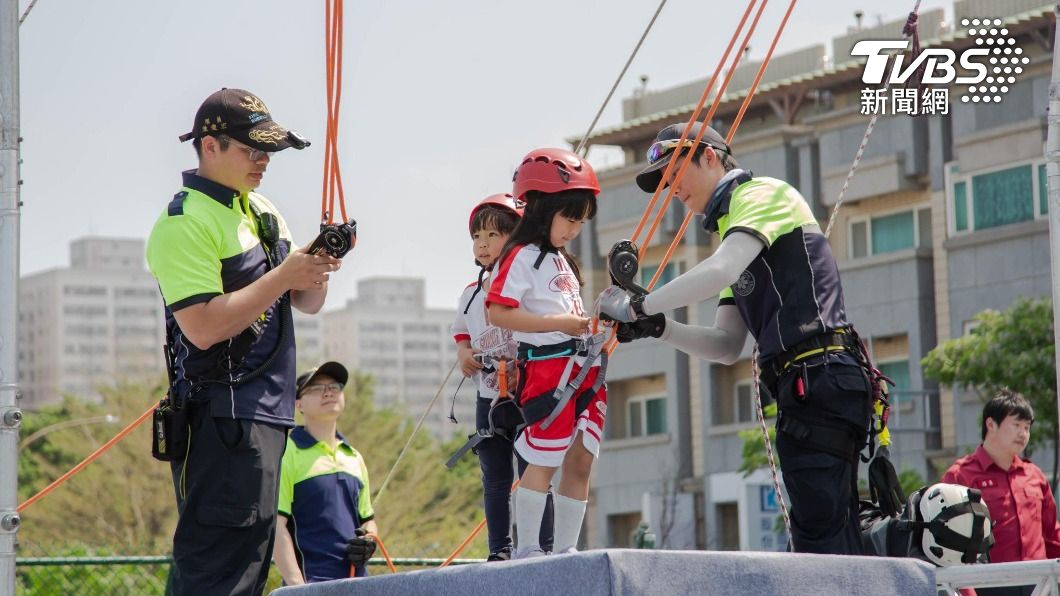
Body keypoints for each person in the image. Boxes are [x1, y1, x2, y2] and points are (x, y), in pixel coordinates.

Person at [598, 121, 900, 555]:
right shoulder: (732, 229)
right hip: (810, 386)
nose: (672, 189)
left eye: (674, 172)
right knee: (823, 530)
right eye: (664, 182)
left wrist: (641, 307)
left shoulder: (760, 195)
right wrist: (660, 328)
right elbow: (726, 344)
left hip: (820, 377)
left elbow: (721, 270)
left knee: (821, 539)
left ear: (709, 156)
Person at [146, 87, 341, 595]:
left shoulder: (261, 210)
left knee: (248, 571)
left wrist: (315, 270)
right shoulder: (185, 220)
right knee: (217, 572)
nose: (264, 161)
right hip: (223, 417)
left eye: (269, 152)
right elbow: (204, 327)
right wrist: (285, 275)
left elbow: (306, 303)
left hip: (265, 414)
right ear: (210, 146)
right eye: (252, 150)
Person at [486, 148, 604, 558]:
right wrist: (559, 325)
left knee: (582, 457)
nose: (574, 229)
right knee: (545, 458)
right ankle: (530, 550)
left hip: (585, 366)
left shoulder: (561, 260)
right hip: (549, 369)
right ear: (542, 208)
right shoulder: (521, 256)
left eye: (581, 221)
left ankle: (568, 550)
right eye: (570, 218)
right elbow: (498, 311)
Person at [450, 194, 553, 561]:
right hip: (489, 397)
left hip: (530, 393)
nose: (482, 243)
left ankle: (542, 546)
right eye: (477, 236)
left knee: (533, 473)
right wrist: (464, 354)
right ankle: (500, 550)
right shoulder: (471, 293)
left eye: (493, 235)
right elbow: (462, 332)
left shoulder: (528, 284)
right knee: (494, 477)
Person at [941, 390, 1060, 596]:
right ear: (990, 424)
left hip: (1041, 585)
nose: (1023, 434)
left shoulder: (1034, 475)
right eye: (1016, 425)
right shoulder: (961, 477)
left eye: (1027, 427)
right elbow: (948, 545)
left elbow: (1051, 537)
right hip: (987, 585)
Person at [273, 362, 378, 584]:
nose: (329, 392)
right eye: (317, 388)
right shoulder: (285, 453)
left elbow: (368, 520)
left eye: (335, 386)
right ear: (298, 404)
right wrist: (297, 587)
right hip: (311, 583)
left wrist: (370, 540)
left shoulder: (354, 457)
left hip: (357, 583)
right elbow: (276, 526)